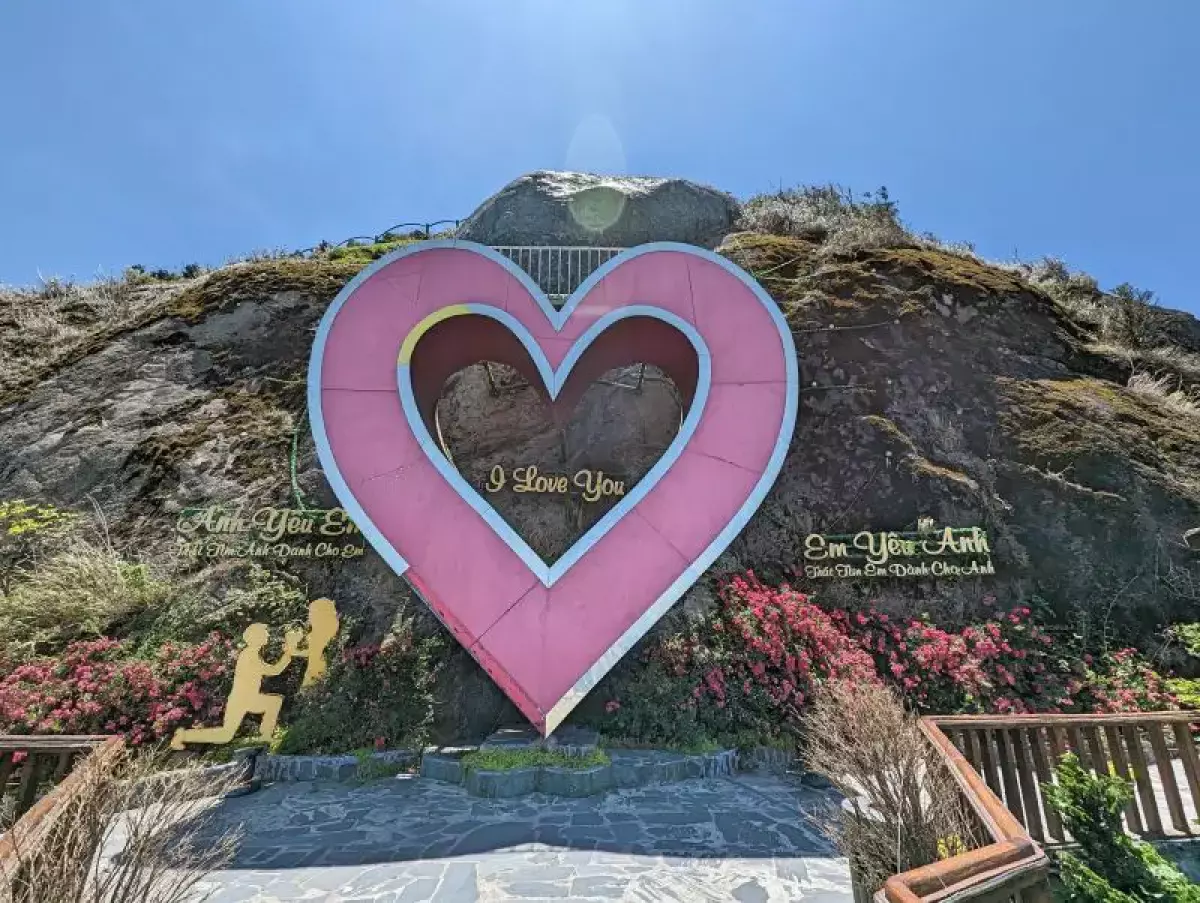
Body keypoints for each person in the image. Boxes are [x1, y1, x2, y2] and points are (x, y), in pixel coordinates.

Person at [170, 623, 294, 750]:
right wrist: (288, 654)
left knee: (273, 702)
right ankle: (183, 735)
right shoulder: (249, 655)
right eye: (264, 632)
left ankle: (266, 735)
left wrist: (287, 654)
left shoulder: (252, 654)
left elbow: (272, 670)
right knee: (225, 735)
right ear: (256, 637)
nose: (268, 635)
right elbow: (274, 671)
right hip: (242, 699)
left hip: (245, 698)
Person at [288, 597, 340, 687]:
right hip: (314, 667)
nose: (310, 616)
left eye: (312, 613)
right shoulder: (320, 630)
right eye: (310, 613)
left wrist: (294, 650)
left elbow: (314, 652)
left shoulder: (323, 631)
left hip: (317, 668)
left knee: (312, 692)